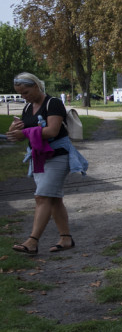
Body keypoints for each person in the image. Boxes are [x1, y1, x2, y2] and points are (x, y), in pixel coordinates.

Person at [7, 73, 87, 256]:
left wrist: (25, 133)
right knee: (54, 198)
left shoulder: (53, 104)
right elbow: (23, 129)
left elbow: (52, 130)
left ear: (36, 86)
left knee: (42, 197)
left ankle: (32, 241)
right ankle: (66, 238)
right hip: (39, 158)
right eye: (20, 94)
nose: (24, 97)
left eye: (26, 92)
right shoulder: (27, 108)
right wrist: (14, 132)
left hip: (58, 156)